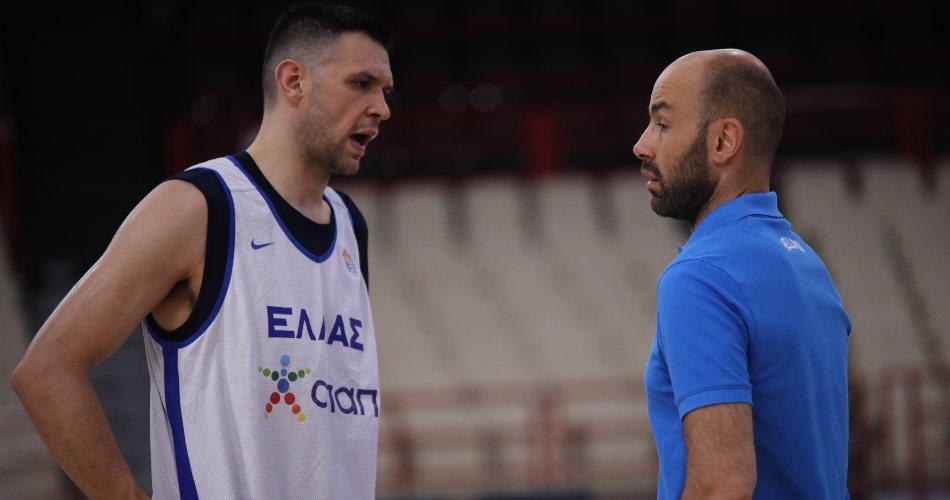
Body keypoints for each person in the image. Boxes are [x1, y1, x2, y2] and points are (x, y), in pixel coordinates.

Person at [12, 3, 393, 498]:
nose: (382, 108)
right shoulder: (198, 207)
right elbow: (46, 371)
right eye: (361, 84)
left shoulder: (350, 227)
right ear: (294, 81)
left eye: (385, 92)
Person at [633, 49, 851, 499]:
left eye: (663, 124)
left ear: (723, 141)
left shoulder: (699, 276)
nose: (642, 144)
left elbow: (722, 486)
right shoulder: (805, 262)